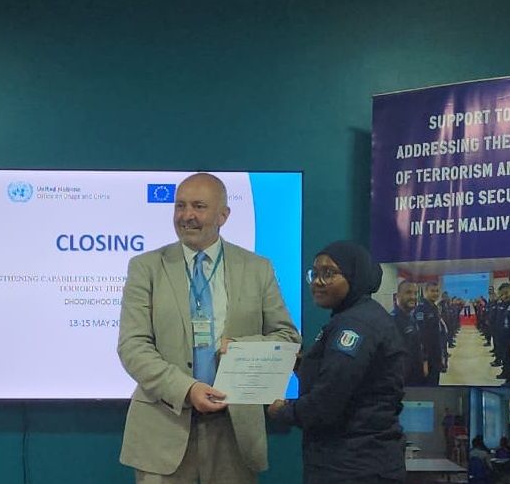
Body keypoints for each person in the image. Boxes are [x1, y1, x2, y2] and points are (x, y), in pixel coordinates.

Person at [117, 173, 301, 483]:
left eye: (199, 206)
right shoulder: (145, 267)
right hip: (163, 427)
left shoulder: (257, 268)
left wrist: (243, 349)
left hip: (234, 432)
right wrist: (187, 389)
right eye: (180, 206)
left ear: (223, 215)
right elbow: (132, 346)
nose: (186, 215)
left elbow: (287, 338)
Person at [268, 241, 406, 483]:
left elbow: (328, 400)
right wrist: (299, 365)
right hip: (355, 460)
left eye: (329, 273)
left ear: (354, 275)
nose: (318, 282)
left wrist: (283, 411)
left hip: (354, 465)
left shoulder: (355, 326)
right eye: (315, 273)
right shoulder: (355, 316)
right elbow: (348, 379)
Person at [390, 280, 427, 385]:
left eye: (415, 293)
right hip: (404, 381)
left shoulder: (410, 318)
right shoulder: (392, 321)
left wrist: (424, 362)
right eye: (408, 292)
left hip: (416, 376)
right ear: (397, 296)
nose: (413, 297)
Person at [415, 282, 446, 383]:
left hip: (436, 355)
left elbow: (437, 334)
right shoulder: (421, 309)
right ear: (425, 292)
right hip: (427, 358)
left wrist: (441, 355)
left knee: (436, 382)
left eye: (437, 291)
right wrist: (424, 361)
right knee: (429, 385)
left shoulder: (434, 307)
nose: (435, 293)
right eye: (432, 291)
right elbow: (420, 337)